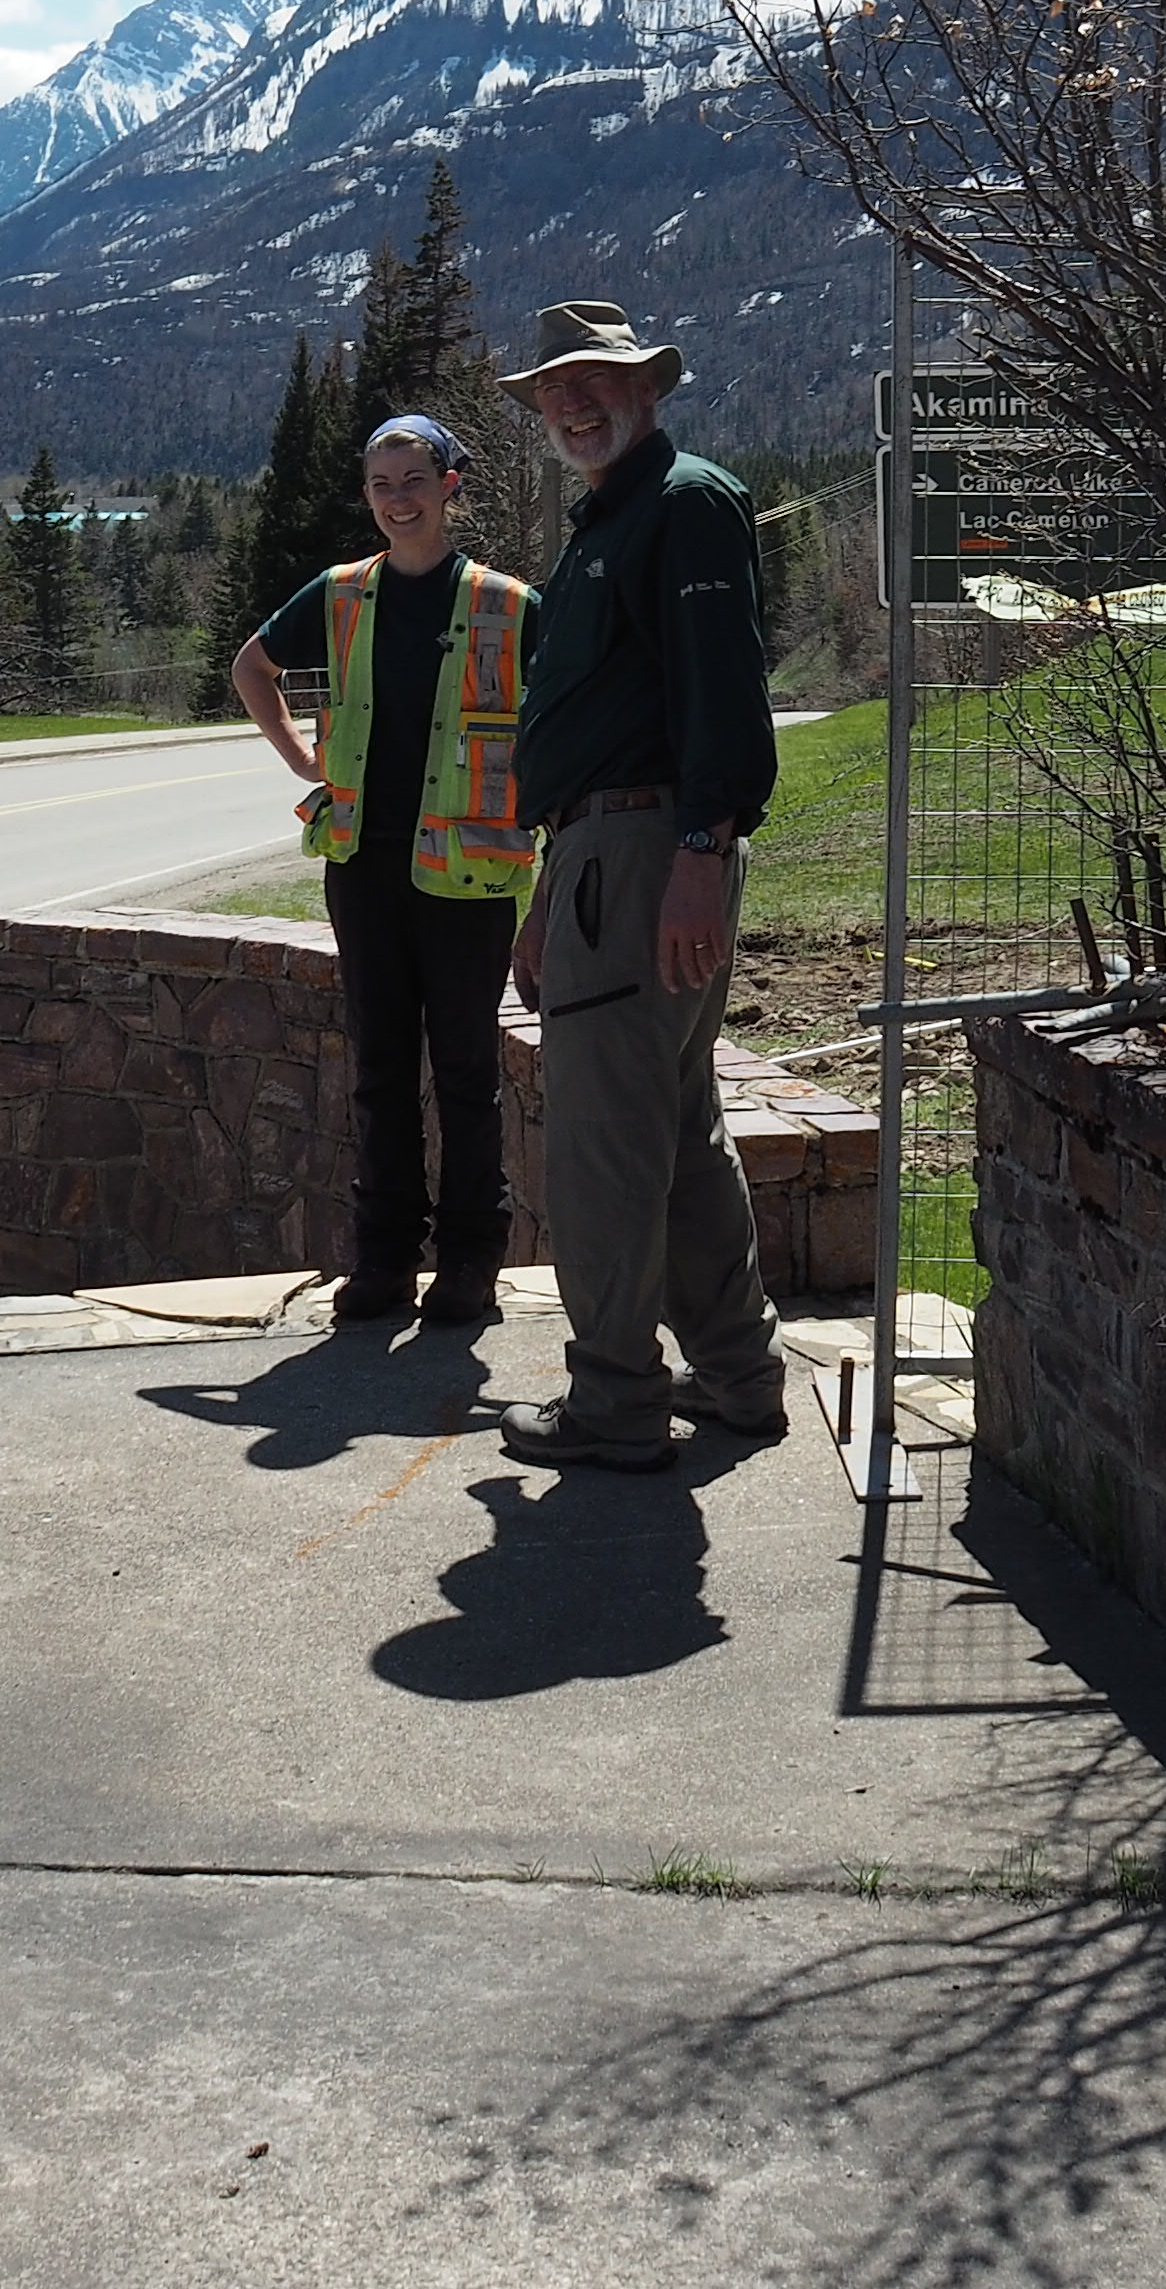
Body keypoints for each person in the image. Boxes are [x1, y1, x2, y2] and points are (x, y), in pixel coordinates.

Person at [490, 300, 789, 1474]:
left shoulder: (685, 504)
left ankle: (615, 1399)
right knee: (679, 1130)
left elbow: (723, 693)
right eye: (555, 386)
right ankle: (739, 1379)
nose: (572, 402)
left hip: (650, 852)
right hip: (604, 859)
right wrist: (549, 891)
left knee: (606, 1147)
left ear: (646, 389)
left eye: (594, 381)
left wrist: (702, 855)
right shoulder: (611, 520)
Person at [231, 415, 539, 1329]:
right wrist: (300, 761)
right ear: (367, 497)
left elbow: (556, 720)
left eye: (415, 479)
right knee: (379, 1067)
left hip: (470, 878)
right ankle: (384, 1261)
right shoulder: (339, 595)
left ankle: (471, 1263)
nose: (398, 499)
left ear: (452, 484)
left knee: (467, 1070)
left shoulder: (505, 603)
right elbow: (253, 666)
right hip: (364, 866)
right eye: (381, 485)